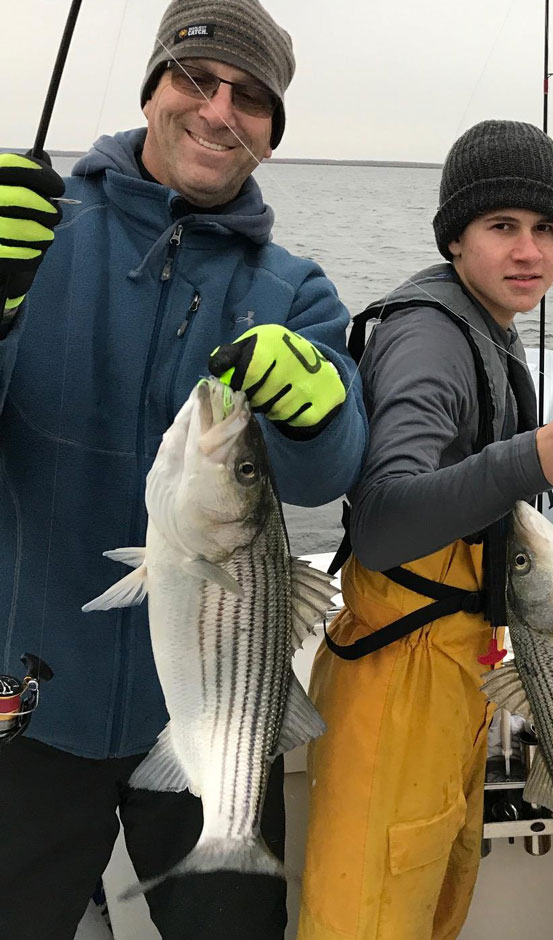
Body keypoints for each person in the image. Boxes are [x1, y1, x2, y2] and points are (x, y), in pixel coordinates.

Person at [0, 1, 366, 937]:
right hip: (28, 701)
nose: (219, 110)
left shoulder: (296, 290)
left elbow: (329, 471)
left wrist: (319, 408)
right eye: (197, 80)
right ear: (154, 89)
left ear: (272, 136)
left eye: (251, 99)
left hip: (216, 716)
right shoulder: (35, 233)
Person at [298, 120, 553, 940]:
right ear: (455, 237)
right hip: (398, 686)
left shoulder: (485, 327)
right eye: (502, 226)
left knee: (435, 909)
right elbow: (380, 525)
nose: (530, 251)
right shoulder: (429, 339)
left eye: (546, 228)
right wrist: (534, 456)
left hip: (455, 680)